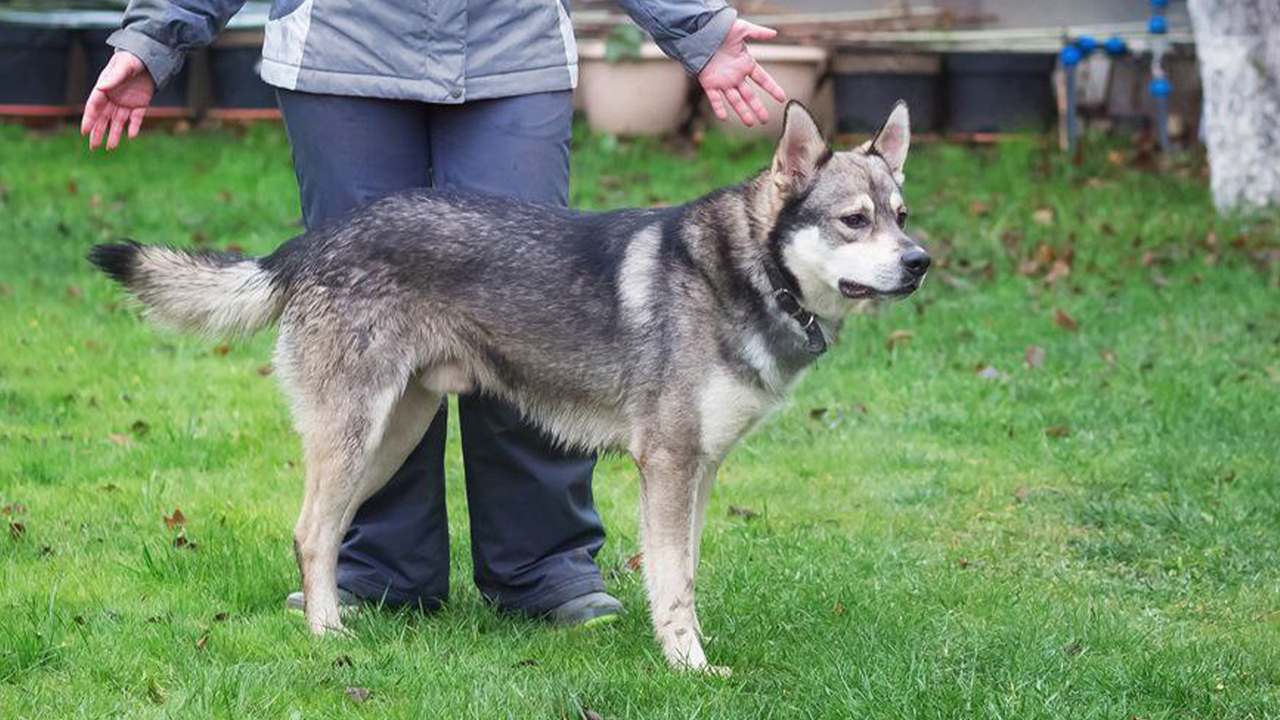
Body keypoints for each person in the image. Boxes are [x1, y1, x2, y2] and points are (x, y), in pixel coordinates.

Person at [82, 0, 787, 627]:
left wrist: (697, 23)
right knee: (366, 367)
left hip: (510, 49)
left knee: (549, 320)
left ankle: (543, 568)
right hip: (343, 49)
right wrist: (155, 34)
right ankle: (374, 570)